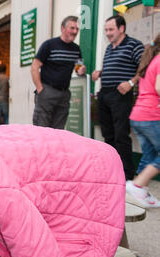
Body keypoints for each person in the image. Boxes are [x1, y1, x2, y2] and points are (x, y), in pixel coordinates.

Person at [92, 15, 145, 181]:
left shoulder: (134, 45)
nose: (107, 33)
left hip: (121, 94)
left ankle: (127, 174)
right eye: (106, 30)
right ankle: (111, 171)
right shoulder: (109, 48)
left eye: (111, 29)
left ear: (121, 28)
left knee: (121, 135)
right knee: (108, 135)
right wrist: (101, 72)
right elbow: (116, 66)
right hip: (105, 93)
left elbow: (145, 67)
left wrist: (131, 82)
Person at [31, 16, 86, 130]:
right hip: (47, 92)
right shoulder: (49, 45)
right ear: (62, 28)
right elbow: (34, 67)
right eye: (72, 28)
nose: (75, 31)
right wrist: (40, 89)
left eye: (77, 29)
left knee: (58, 131)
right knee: (41, 130)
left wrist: (81, 70)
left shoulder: (76, 49)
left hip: (64, 95)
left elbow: (78, 68)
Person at [125, 34, 160, 208]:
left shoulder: (150, 60)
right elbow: (159, 87)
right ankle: (137, 185)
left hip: (139, 115)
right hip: (152, 115)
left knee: (151, 154)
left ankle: (139, 190)